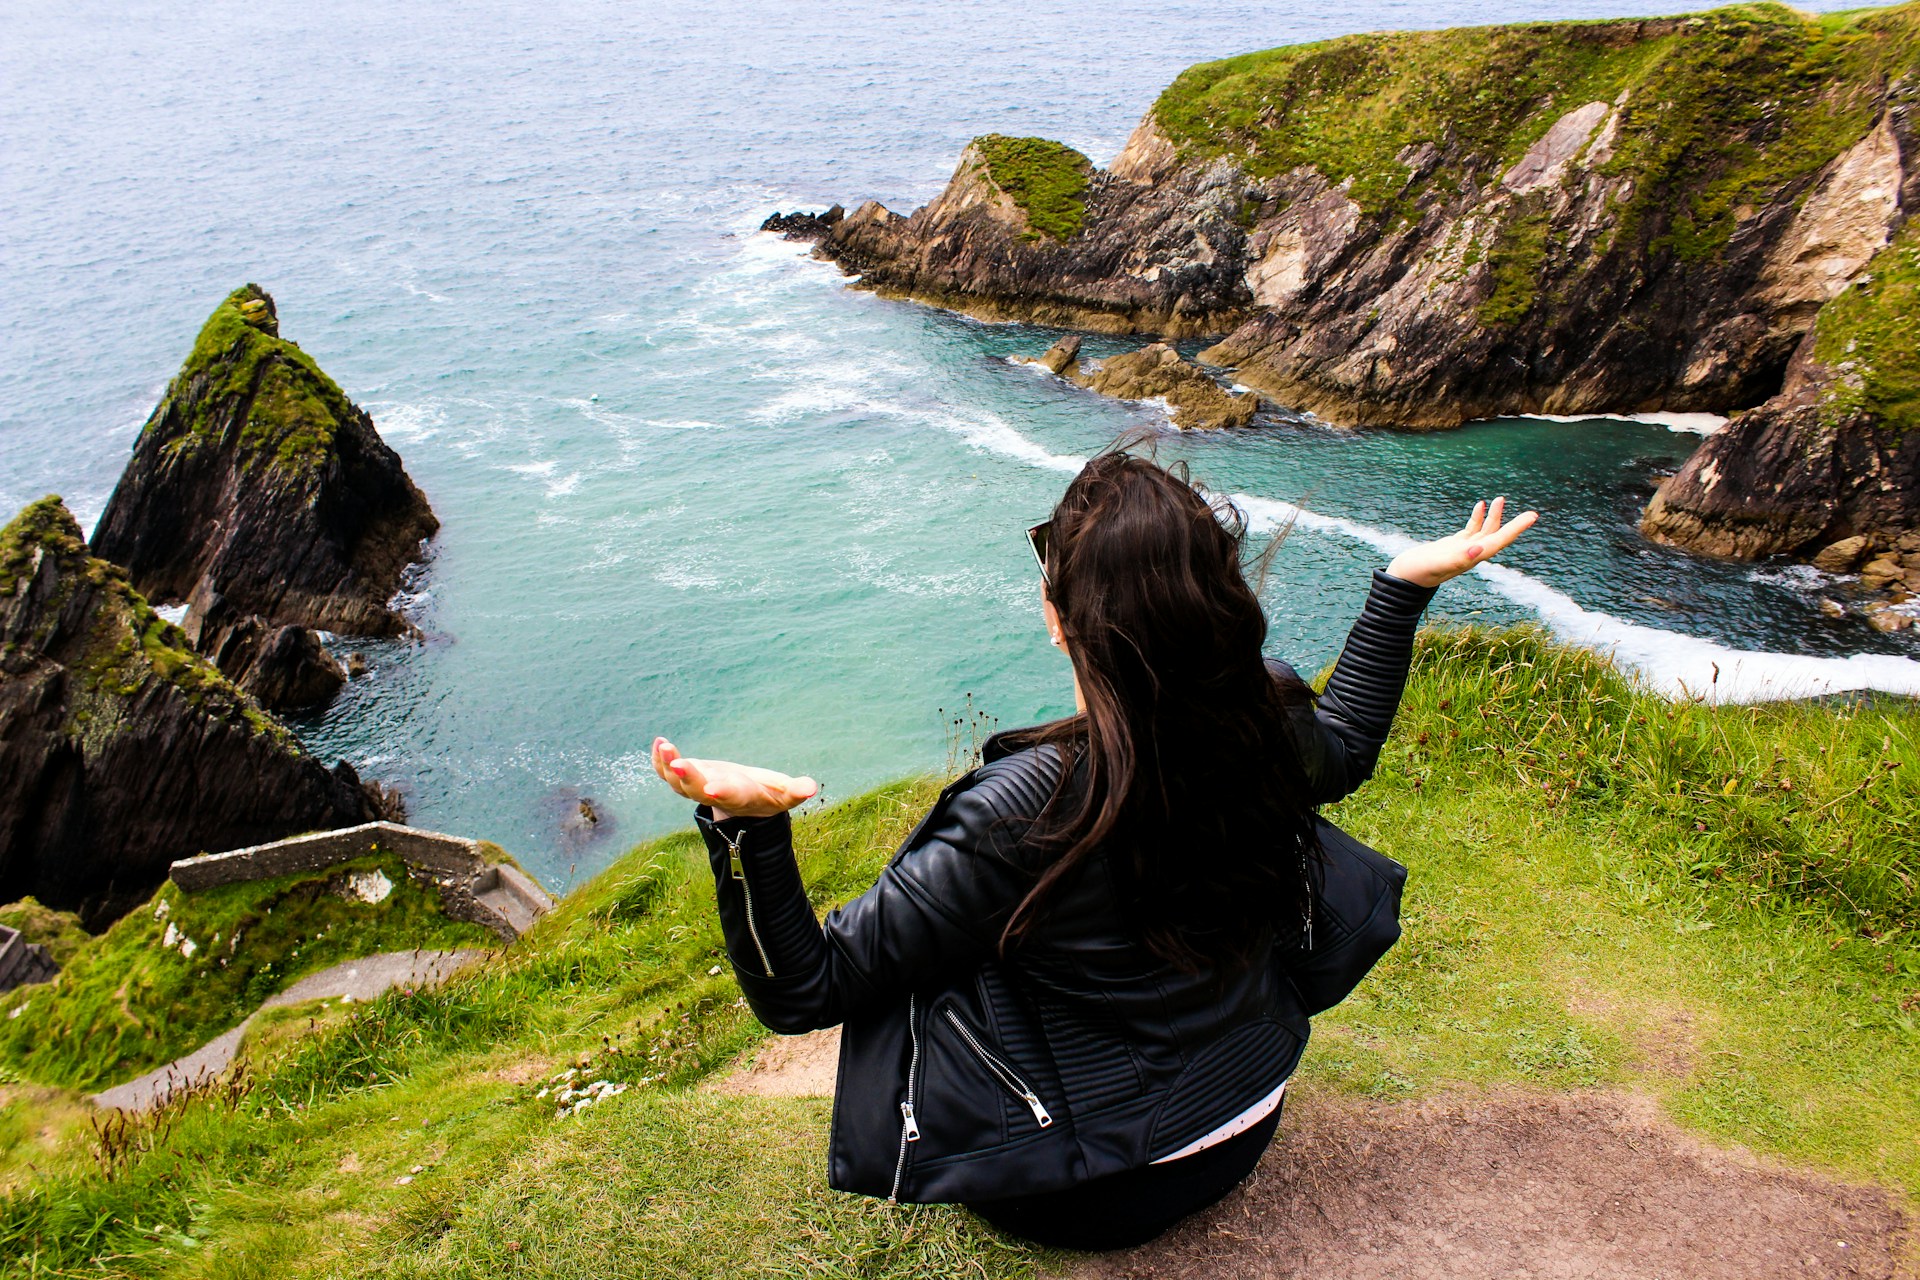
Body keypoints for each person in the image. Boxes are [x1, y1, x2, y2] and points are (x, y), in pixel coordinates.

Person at [650, 447, 1536, 1251]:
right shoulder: (1259, 714)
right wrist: (1401, 587)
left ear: (1057, 616)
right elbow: (1344, 744)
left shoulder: (1020, 810)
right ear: (1216, 602)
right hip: (1248, 1111)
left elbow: (808, 987)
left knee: (954, 942)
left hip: (1088, 1193)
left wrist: (751, 829)